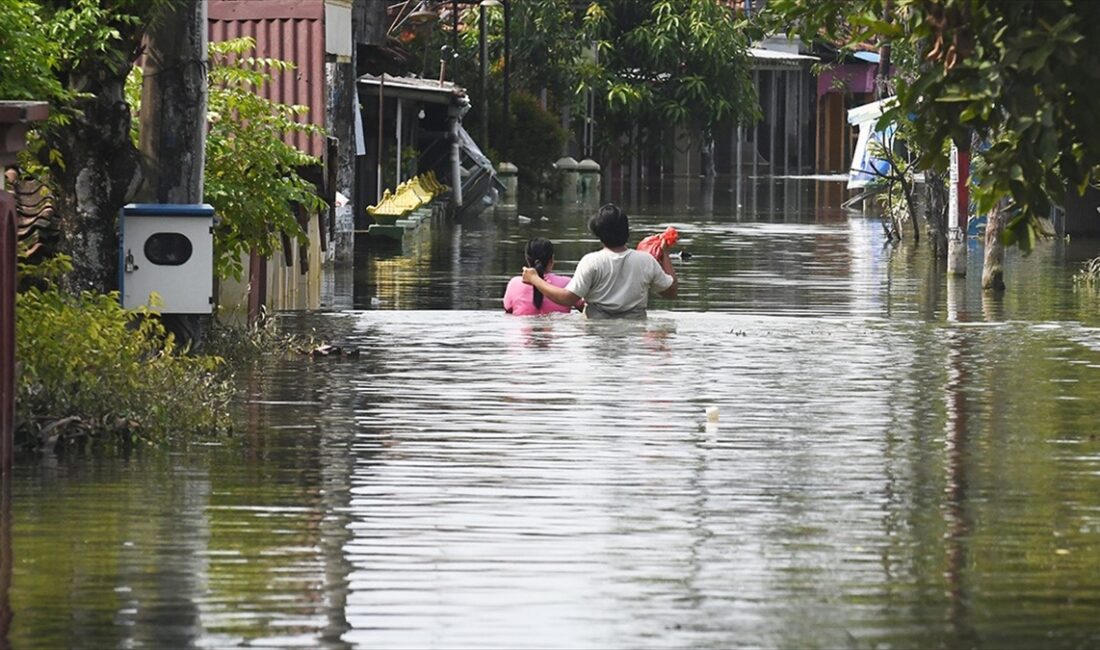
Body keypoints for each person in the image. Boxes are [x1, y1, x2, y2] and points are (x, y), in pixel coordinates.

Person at [522, 203, 677, 319]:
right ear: (626, 231)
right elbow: (671, 291)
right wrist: (664, 253)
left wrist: (535, 279)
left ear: (599, 234)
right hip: (634, 336)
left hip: (596, 333)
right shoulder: (646, 261)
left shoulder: (592, 261)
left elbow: (568, 298)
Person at [503, 237, 580, 315]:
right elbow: (585, 307)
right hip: (558, 324)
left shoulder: (514, 284)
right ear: (552, 260)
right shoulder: (567, 284)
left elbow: (508, 310)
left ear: (527, 259)